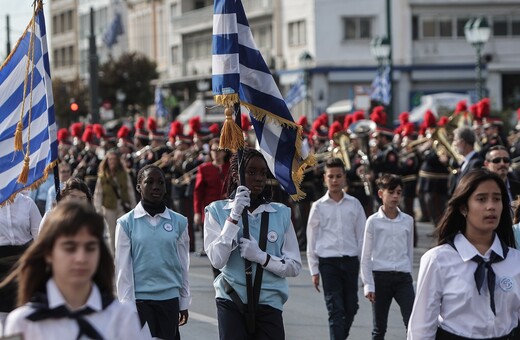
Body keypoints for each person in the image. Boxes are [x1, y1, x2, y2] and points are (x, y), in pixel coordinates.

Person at [1, 201, 144, 339]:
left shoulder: (123, 317)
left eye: (90, 248)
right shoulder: (20, 323)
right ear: (49, 253)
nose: (81, 258)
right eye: (70, 248)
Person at [408, 169, 520, 339]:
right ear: (463, 208)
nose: (491, 206)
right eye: (481, 199)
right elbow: (421, 328)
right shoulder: (438, 260)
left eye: (496, 199)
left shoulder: (515, 260)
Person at [204, 148, 302, 340]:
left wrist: (262, 257)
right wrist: (233, 217)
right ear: (236, 174)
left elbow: (294, 266)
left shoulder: (281, 213)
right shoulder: (216, 210)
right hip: (231, 299)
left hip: (269, 303)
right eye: (251, 172)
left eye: (263, 173)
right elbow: (217, 260)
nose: (259, 178)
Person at [115, 165, 190, 340]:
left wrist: (183, 300)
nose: (155, 187)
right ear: (139, 186)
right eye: (149, 182)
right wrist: (127, 307)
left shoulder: (180, 222)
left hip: (169, 301)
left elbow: (183, 265)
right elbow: (122, 270)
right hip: (140, 303)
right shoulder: (126, 223)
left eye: (160, 182)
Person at [306, 157, 366, 340]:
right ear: (325, 178)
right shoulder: (318, 207)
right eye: (330, 176)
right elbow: (312, 239)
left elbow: (363, 238)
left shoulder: (354, 204)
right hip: (328, 263)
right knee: (335, 310)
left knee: (351, 307)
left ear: (344, 178)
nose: (334, 180)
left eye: (338, 176)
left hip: (350, 262)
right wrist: (314, 269)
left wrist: (365, 270)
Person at [360, 174, 415, 340]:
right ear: (380, 194)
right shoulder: (373, 221)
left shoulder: (408, 220)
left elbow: (409, 252)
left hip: (403, 278)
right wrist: (368, 284)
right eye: (391, 192)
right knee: (379, 328)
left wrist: (408, 273)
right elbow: (366, 255)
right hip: (381, 278)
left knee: (413, 323)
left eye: (399, 192)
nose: (395, 196)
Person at [0, 192, 42, 322]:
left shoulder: (27, 203)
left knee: (22, 306)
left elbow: (40, 236)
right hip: (1, 262)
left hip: (23, 260)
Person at [93, 149, 136, 252]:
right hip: (109, 208)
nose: (112, 161)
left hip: (122, 206)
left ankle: (123, 253)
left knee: (123, 232)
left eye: (114, 159)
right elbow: (98, 194)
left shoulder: (124, 175)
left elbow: (130, 191)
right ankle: (113, 257)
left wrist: (134, 208)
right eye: (110, 159)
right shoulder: (102, 177)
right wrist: (98, 210)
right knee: (111, 233)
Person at [449, 126, 484, 196]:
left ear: (462, 142)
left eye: (455, 140)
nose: (453, 144)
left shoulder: (476, 163)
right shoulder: (465, 162)